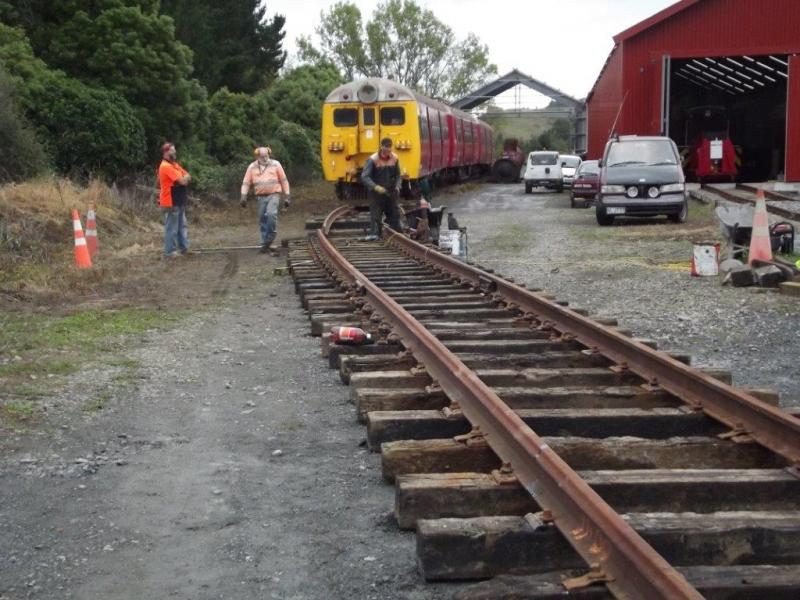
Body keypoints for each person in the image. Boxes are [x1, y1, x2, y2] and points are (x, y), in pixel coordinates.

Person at [240, 146, 291, 253]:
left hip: (274, 194)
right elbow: (246, 182)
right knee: (263, 219)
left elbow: (284, 180)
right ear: (257, 156)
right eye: (262, 156)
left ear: (269, 154)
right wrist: (243, 196)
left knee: (271, 214)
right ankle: (265, 243)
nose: (264, 158)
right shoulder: (252, 167)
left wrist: (287, 196)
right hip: (260, 197)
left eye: (266, 156)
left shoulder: (276, 164)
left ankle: (270, 239)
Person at [361, 137, 401, 240]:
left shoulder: (395, 158)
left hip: (391, 192)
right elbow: (365, 176)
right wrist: (375, 187)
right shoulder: (373, 160)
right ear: (381, 147)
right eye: (386, 147)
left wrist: (398, 185)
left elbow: (398, 175)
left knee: (394, 216)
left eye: (389, 147)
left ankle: (396, 235)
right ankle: (375, 234)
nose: (388, 150)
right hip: (376, 194)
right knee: (376, 216)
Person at [158, 142, 191, 258]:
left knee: (182, 225)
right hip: (171, 201)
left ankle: (184, 248)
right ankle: (170, 252)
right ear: (166, 152)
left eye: (174, 150)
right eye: (172, 150)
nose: (175, 152)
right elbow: (182, 181)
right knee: (172, 228)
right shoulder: (166, 166)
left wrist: (184, 178)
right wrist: (183, 179)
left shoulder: (174, 165)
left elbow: (187, 175)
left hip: (178, 200)